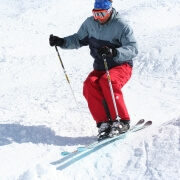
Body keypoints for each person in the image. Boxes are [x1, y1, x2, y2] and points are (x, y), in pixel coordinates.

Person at [49, 0, 138, 138]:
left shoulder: (121, 26)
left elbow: (133, 49)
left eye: (102, 14)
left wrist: (114, 52)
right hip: (101, 66)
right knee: (89, 84)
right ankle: (104, 123)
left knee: (107, 81)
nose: (98, 18)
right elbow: (78, 39)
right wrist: (62, 42)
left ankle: (122, 121)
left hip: (121, 65)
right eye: (95, 14)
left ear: (109, 11)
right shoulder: (90, 24)